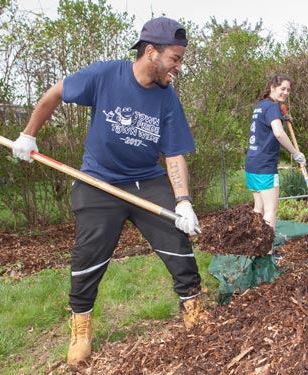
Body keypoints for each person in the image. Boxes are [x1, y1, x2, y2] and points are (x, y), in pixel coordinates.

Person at [11, 17, 208, 365]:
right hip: (98, 182)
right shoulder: (105, 76)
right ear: (151, 52)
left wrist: (183, 201)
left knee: (178, 245)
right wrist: (28, 135)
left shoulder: (167, 98)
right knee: (89, 256)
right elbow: (55, 93)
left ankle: (194, 309)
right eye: (175, 59)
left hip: (146, 181)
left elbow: (174, 152)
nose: (179, 67)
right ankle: (81, 327)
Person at [245, 74, 306, 259]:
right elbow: (278, 134)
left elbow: (269, 128)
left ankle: (254, 244)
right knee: (270, 209)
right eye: (283, 88)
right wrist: (295, 153)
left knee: (259, 208)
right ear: (272, 86)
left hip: (252, 163)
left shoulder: (262, 106)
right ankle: (268, 251)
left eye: (288, 90)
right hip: (265, 165)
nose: (286, 92)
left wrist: (283, 117)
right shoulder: (272, 107)